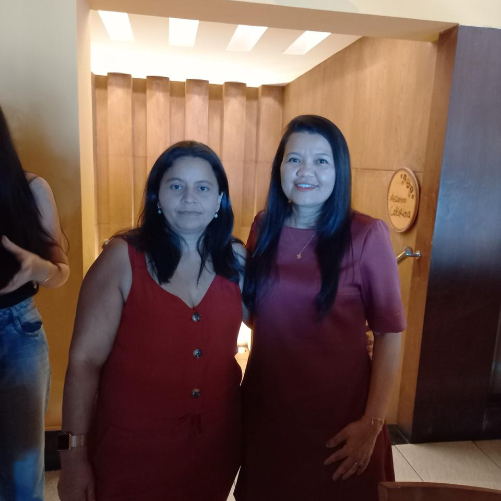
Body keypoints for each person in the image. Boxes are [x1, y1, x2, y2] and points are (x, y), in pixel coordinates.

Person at [58, 141, 246, 501]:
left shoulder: (236, 259)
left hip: (215, 449)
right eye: (176, 186)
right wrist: (73, 458)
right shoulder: (122, 259)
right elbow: (84, 362)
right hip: (132, 452)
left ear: (219, 199)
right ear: (157, 197)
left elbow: (277, 325)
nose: (189, 198)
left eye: (202, 187)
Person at [234, 115, 406, 501]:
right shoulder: (264, 226)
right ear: (280, 167)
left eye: (321, 161)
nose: (305, 171)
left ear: (339, 171)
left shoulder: (366, 234)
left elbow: (389, 333)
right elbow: (256, 315)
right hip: (270, 410)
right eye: (294, 159)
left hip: (340, 418)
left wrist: (372, 422)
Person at [0, 106, 70, 501]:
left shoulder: (31, 189)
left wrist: (37, 267)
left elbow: (61, 272)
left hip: (16, 331)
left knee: (22, 469)